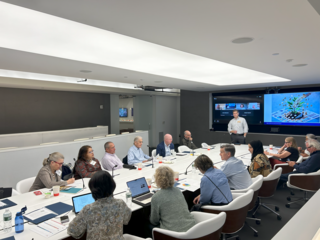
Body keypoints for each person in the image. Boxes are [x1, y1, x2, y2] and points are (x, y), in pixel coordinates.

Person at [67, 171, 131, 240]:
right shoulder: (120, 203)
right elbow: (126, 220)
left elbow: (73, 231)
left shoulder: (88, 209)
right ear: (112, 185)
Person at [149, 166, 196, 232]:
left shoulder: (156, 197)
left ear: (157, 180)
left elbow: (154, 221)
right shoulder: (178, 190)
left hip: (173, 233)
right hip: (192, 228)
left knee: (147, 226)